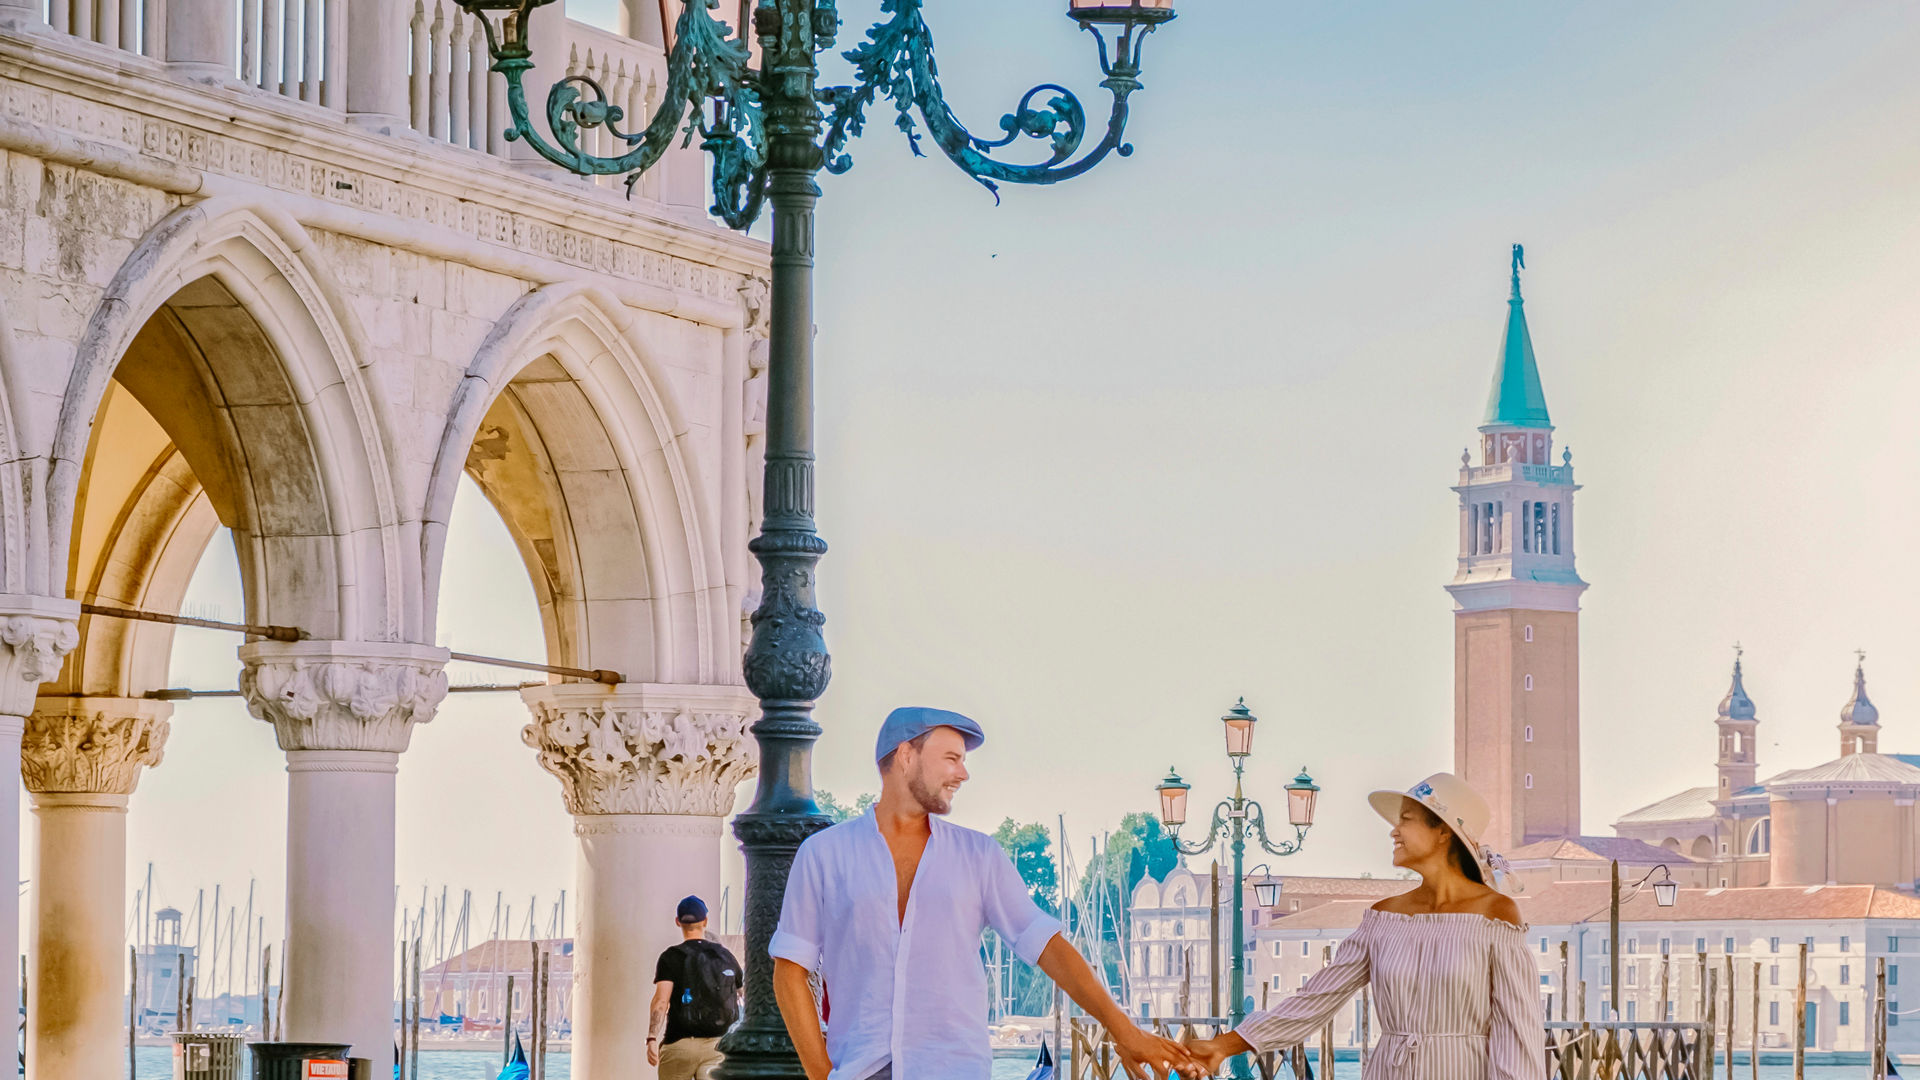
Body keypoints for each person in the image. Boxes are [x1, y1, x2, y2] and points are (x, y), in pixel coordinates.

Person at [770, 706, 1198, 1080]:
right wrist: (822, 1076)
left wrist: (1124, 1030)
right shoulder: (823, 855)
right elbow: (790, 971)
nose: (963, 772)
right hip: (860, 1070)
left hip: (956, 1069)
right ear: (905, 755)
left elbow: (1047, 946)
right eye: (951, 758)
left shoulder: (979, 855)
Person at [1184, 772, 1542, 1080]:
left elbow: (1518, 1035)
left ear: (1444, 832)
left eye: (1406, 819)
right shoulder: (1383, 918)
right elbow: (1316, 999)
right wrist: (1223, 1045)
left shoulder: (1496, 914)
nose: (1393, 832)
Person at [649, 895, 743, 1080]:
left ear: (678, 922)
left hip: (680, 1043)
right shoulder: (726, 956)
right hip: (718, 1046)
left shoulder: (671, 957)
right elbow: (743, 993)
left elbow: (661, 1002)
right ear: (705, 921)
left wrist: (652, 1037)